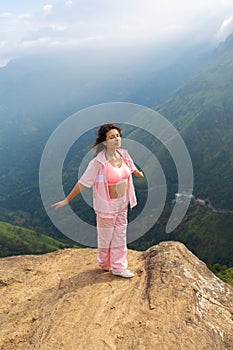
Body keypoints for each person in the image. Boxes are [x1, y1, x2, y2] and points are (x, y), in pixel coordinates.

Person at [51, 123, 144, 278]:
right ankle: (104, 263)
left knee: (120, 234)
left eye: (118, 136)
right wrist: (66, 200)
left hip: (123, 202)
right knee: (106, 237)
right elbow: (83, 183)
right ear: (105, 142)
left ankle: (118, 267)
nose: (117, 139)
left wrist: (137, 172)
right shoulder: (97, 163)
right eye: (112, 137)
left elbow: (131, 167)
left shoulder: (124, 155)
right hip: (107, 206)